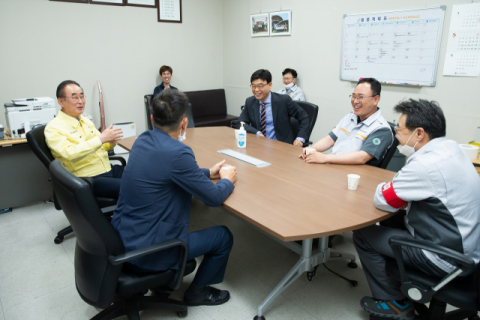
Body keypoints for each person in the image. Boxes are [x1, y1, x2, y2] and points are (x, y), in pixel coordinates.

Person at [353, 99, 480, 320]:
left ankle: (394, 304)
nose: (396, 135)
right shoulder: (451, 148)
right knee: (390, 221)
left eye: (399, 129)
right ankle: (400, 286)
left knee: (364, 234)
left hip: (446, 257)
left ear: (419, 133)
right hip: (469, 246)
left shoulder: (424, 166)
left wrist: (392, 187)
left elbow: (383, 199)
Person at [111, 89, 237, 306]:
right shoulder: (179, 152)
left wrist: (207, 172)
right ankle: (197, 292)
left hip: (121, 239)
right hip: (149, 250)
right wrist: (226, 179)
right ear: (184, 123)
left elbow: (164, 172)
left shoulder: (142, 140)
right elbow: (214, 199)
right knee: (223, 236)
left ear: (152, 119)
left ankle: (164, 285)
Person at [45, 80, 124, 199]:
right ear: (61, 101)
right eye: (75, 98)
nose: (80, 101)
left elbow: (100, 145)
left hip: (108, 168)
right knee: (136, 187)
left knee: (146, 174)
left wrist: (110, 141)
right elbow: (69, 153)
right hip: (89, 178)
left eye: (82, 96)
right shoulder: (53, 127)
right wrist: (101, 139)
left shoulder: (85, 120)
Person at [300, 78, 393, 166]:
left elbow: (362, 157)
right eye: (354, 96)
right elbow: (330, 139)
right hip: (334, 166)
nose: (355, 101)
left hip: (355, 174)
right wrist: (312, 149)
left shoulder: (382, 129)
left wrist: (325, 157)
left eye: (361, 97)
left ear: (375, 99)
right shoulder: (350, 117)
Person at [237, 69, 309, 146]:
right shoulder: (250, 101)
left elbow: (304, 117)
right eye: (253, 86)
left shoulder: (284, 100)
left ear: (270, 85)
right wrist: (257, 133)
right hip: (259, 145)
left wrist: (300, 138)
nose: (256, 90)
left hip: (281, 145)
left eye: (260, 86)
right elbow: (240, 123)